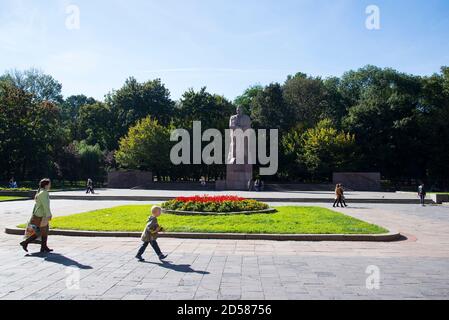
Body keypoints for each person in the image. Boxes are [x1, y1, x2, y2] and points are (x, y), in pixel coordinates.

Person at [20, 178, 53, 253]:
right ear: (46, 185)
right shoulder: (44, 193)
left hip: (39, 215)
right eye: (49, 184)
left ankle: (44, 247)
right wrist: (49, 215)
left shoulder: (40, 192)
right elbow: (45, 205)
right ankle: (25, 243)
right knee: (40, 232)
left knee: (45, 231)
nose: (50, 185)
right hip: (41, 216)